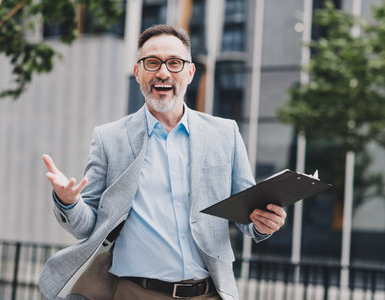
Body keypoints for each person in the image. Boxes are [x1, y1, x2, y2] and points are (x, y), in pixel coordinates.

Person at [39, 24, 286, 300]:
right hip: (134, 292)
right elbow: (88, 227)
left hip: (209, 292)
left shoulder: (224, 134)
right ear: (138, 73)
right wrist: (69, 202)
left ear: (190, 73)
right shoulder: (110, 138)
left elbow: (246, 213)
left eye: (175, 63)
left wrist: (262, 224)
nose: (163, 72)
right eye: (152, 63)